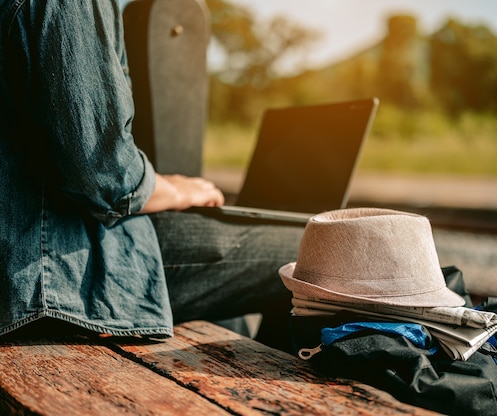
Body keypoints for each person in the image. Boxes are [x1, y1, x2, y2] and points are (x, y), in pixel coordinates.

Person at [0, 0, 303, 350]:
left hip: (24, 259)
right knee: (311, 253)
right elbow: (107, 177)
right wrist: (174, 190)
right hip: (46, 272)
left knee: (229, 311)